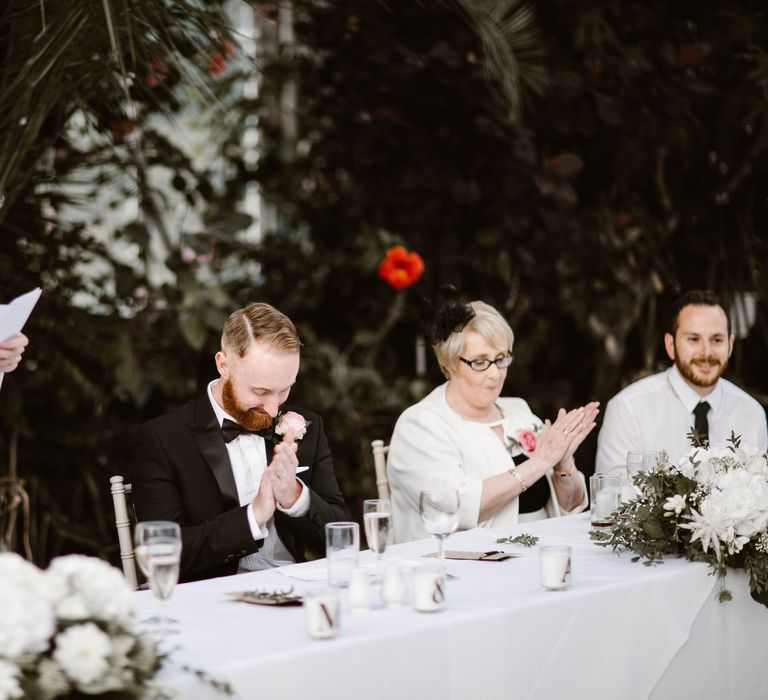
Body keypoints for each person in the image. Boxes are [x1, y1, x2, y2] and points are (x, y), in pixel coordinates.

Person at [132, 303, 350, 582]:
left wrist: (296, 497)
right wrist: (254, 516)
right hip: (216, 606)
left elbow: (343, 538)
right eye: (260, 391)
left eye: (285, 390)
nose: (273, 410)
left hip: (301, 593)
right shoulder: (163, 440)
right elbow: (165, 555)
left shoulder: (309, 425)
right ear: (224, 365)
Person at [387, 300, 599, 543]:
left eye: (501, 359)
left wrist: (563, 464)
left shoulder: (518, 411)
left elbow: (570, 505)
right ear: (449, 365)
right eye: (479, 362)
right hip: (460, 566)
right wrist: (539, 463)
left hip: (542, 553)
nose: (495, 373)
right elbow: (452, 508)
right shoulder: (421, 425)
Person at [596, 290, 768, 474]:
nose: (707, 352)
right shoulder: (628, 410)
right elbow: (611, 496)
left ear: (730, 345)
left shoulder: (751, 413)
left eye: (717, 340)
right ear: (671, 346)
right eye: (694, 339)